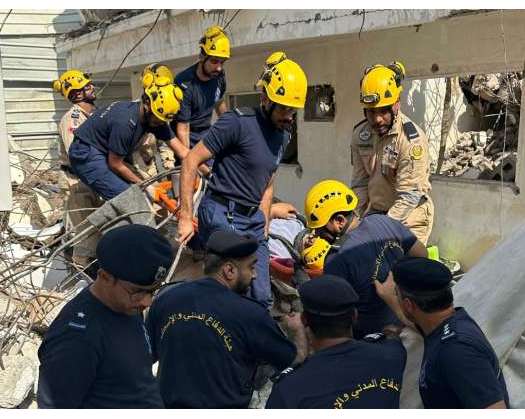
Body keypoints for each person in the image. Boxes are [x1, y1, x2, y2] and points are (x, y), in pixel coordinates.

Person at [178, 51, 307, 307]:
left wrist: (265, 221)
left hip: (253, 221)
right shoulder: (236, 123)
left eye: (293, 110)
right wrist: (184, 218)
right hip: (222, 213)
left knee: (261, 297)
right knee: (233, 291)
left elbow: (268, 181)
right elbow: (191, 160)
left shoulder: (283, 135)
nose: (289, 116)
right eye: (283, 108)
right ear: (265, 99)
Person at [146, 229, 307, 408]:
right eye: (251, 267)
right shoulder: (250, 314)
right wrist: (297, 329)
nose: (254, 275)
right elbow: (294, 361)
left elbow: (144, 359)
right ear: (229, 270)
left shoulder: (166, 299)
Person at [37, 224, 174, 408]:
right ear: (105, 277)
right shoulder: (77, 338)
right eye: (138, 291)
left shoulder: (128, 306)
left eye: (152, 291)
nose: (147, 302)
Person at [375, 257, 510, 409]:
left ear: (408, 305)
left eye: (396, 294)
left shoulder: (457, 351)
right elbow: (419, 323)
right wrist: (394, 305)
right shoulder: (451, 322)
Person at [304, 179, 427, 338]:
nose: (318, 235)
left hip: (373, 337)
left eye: (320, 229)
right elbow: (422, 254)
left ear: (340, 220)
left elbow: (337, 319)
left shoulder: (335, 259)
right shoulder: (384, 221)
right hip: (411, 322)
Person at [266, 275, 407, 409]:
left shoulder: (289, 390)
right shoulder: (394, 355)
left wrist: (299, 341)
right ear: (354, 316)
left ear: (304, 320)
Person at [68, 64, 184, 200]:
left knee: (145, 192)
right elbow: (115, 163)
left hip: (109, 154)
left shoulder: (155, 115)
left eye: (162, 120)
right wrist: (145, 186)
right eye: (157, 120)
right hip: (86, 154)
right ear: (147, 105)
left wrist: (207, 173)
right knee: (131, 199)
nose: (160, 124)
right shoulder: (125, 122)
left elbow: (182, 151)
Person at [351, 61, 434, 245]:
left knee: (400, 269)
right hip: (377, 213)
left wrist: (380, 230)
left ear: (396, 104)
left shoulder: (411, 140)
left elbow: (409, 196)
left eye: (383, 112)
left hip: (410, 216)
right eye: (371, 112)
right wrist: (353, 222)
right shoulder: (360, 135)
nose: (377, 119)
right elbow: (360, 183)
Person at [52, 70, 102, 267]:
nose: (92, 87)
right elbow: (78, 155)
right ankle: (81, 271)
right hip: (77, 182)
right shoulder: (71, 119)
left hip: (95, 178)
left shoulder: (97, 113)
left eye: (90, 84)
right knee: (86, 232)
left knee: (101, 226)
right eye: (86, 86)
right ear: (75, 94)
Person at [171, 25, 229, 164]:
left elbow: (219, 102)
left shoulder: (219, 76)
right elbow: (183, 129)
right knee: (191, 178)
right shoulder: (184, 83)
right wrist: (189, 161)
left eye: (222, 62)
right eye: (214, 61)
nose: (219, 67)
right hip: (185, 137)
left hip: (206, 133)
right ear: (202, 56)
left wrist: (229, 129)